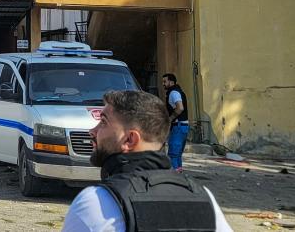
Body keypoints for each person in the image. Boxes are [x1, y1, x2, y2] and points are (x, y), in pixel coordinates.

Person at [62, 89, 233, 232]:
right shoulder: (202, 197)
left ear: (129, 140)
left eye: (103, 123)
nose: (93, 131)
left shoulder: (98, 202)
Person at [161, 72, 190, 171]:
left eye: (165, 81)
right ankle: (179, 175)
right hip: (183, 125)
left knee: (173, 154)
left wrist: (170, 119)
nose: (163, 84)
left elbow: (180, 108)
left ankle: (173, 178)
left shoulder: (173, 93)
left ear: (171, 82)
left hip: (178, 125)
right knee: (177, 154)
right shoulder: (179, 91)